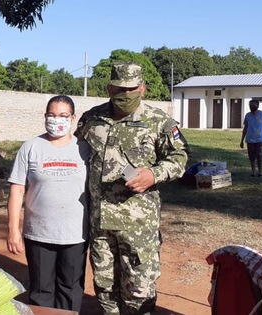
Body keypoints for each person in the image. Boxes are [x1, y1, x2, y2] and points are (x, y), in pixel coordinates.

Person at [75, 62, 189, 315]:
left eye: (132, 88)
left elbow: (180, 158)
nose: (125, 94)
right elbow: (75, 153)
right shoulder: (92, 119)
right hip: (100, 221)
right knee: (105, 286)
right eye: (119, 88)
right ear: (109, 88)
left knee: (139, 288)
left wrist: (153, 174)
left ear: (143, 88)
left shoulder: (158, 121)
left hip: (138, 223)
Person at [7, 95, 90, 312]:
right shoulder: (31, 147)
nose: (57, 120)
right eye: (52, 115)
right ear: (44, 117)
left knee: (70, 288)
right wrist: (13, 229)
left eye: (63, 116)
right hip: (39, 233)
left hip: (75, 234)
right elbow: (17, 189)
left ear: (73, 118)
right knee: (41, 290)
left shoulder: (85, 150)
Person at [240, 99, 262, 177]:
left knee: (259, 156)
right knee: (251, 157)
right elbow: (245, 128)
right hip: (250, 139)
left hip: (260, 139)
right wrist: (242, 140)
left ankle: (260, 172)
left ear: (257, 106)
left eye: (253, 105)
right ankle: (253, 172)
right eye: (250, 105)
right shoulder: (247, 115)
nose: (251, 106)